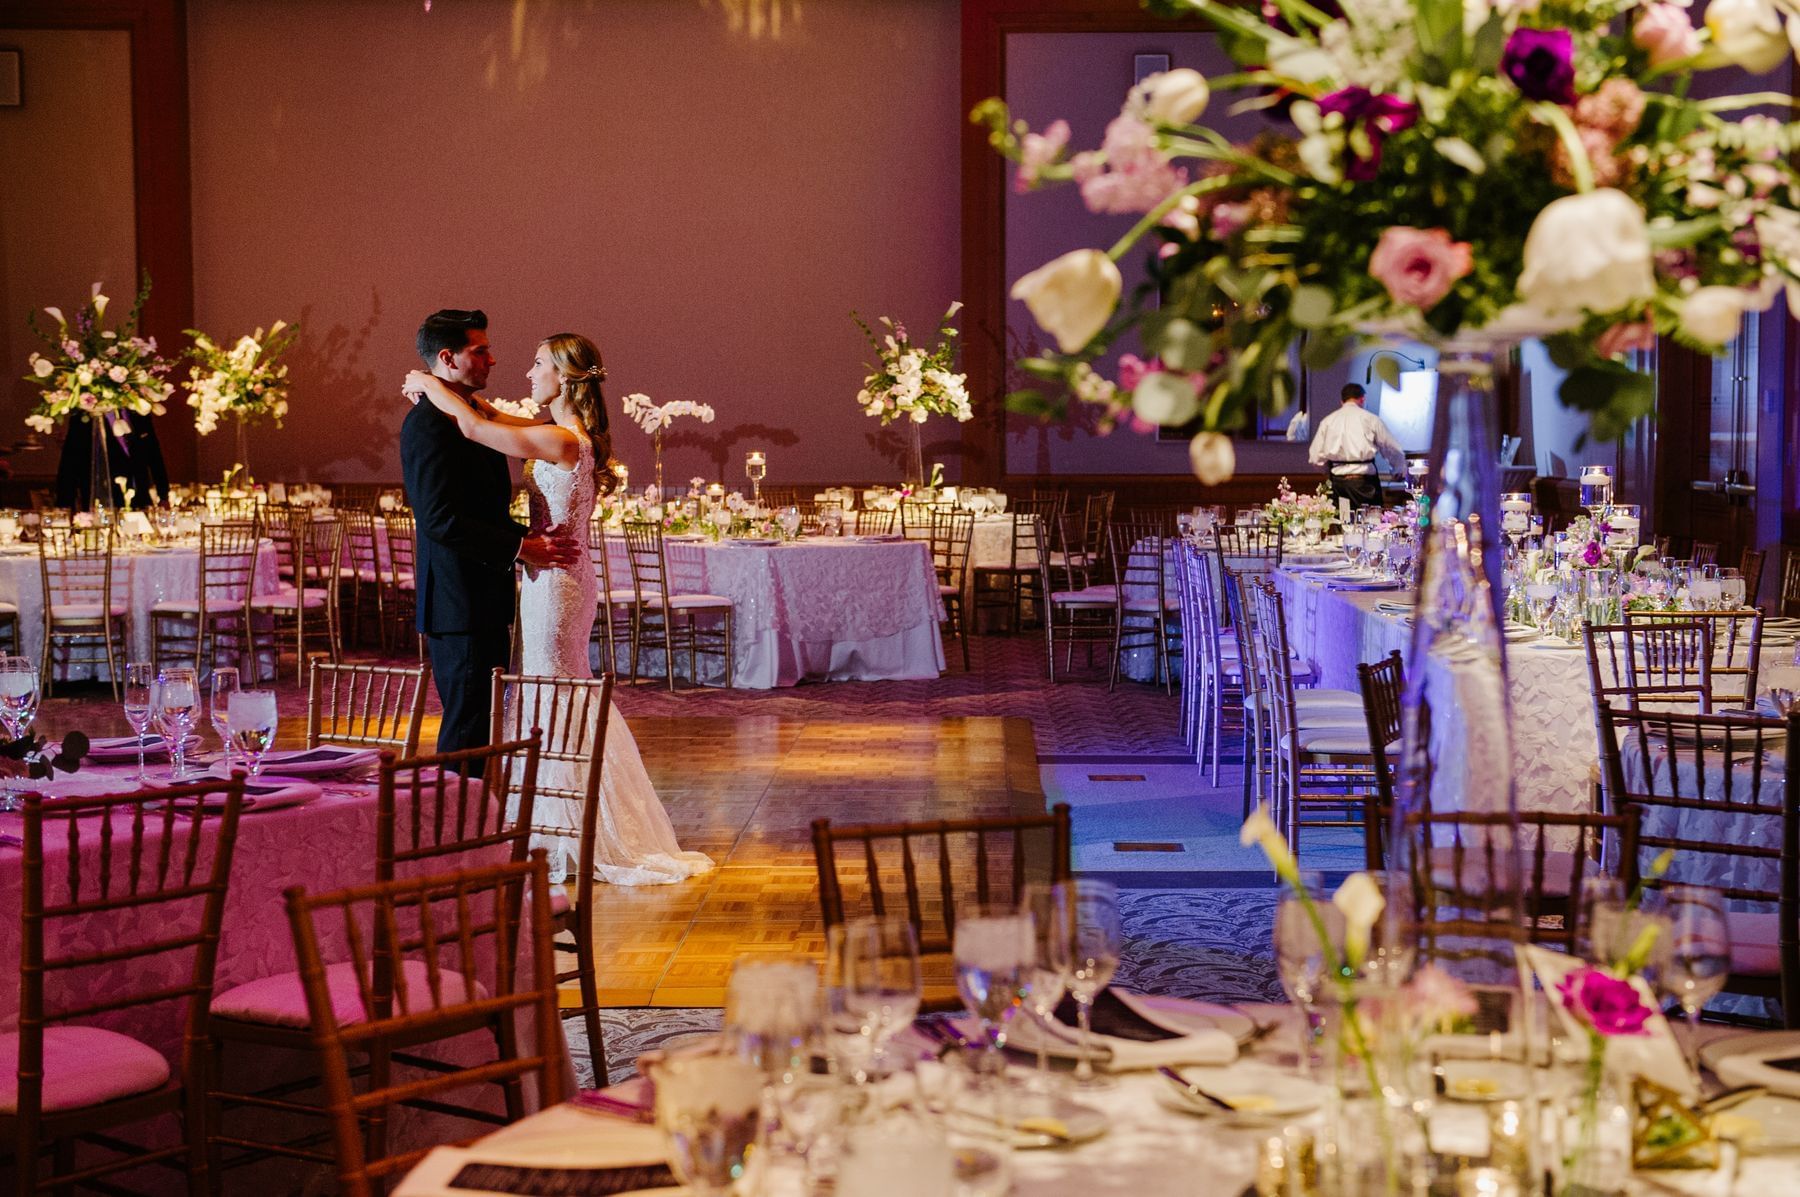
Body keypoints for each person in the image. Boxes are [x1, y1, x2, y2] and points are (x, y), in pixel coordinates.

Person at [404, 333, 714, 886]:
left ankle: (574, 826)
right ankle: (556, 824)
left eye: (539, 363)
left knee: (557, 689)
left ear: (565, 378)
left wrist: (430, 385)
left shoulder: (565, 442)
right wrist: (445, 390)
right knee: (550, 691)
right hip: (552, 578)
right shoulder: (557, 434)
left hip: (558, 585)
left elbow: (476, 428)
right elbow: (490, 413)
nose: (527, 372)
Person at [401, 309, 579, 758]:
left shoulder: (472, 415)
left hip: (482, 595)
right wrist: (522, 547)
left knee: (483, 722)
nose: (493, 360)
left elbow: (482, 506)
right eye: (480, 350)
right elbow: (439, 518)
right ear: (449, 357)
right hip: (457, 604)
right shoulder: (428, 424)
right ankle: (456, 823)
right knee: (467, 727)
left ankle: (480, 817)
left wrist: (525, 543)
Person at [1307, 382, 1406, 510]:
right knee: (1370, 523)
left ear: (1342, 401)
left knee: (1343, 523)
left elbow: (1315, 458)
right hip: (1365, 484)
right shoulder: (1371, 419)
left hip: (1339, 484)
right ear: (1363, 399)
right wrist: (1398, 470)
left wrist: (1328, 470)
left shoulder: (1328, 421)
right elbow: (1392, 448)